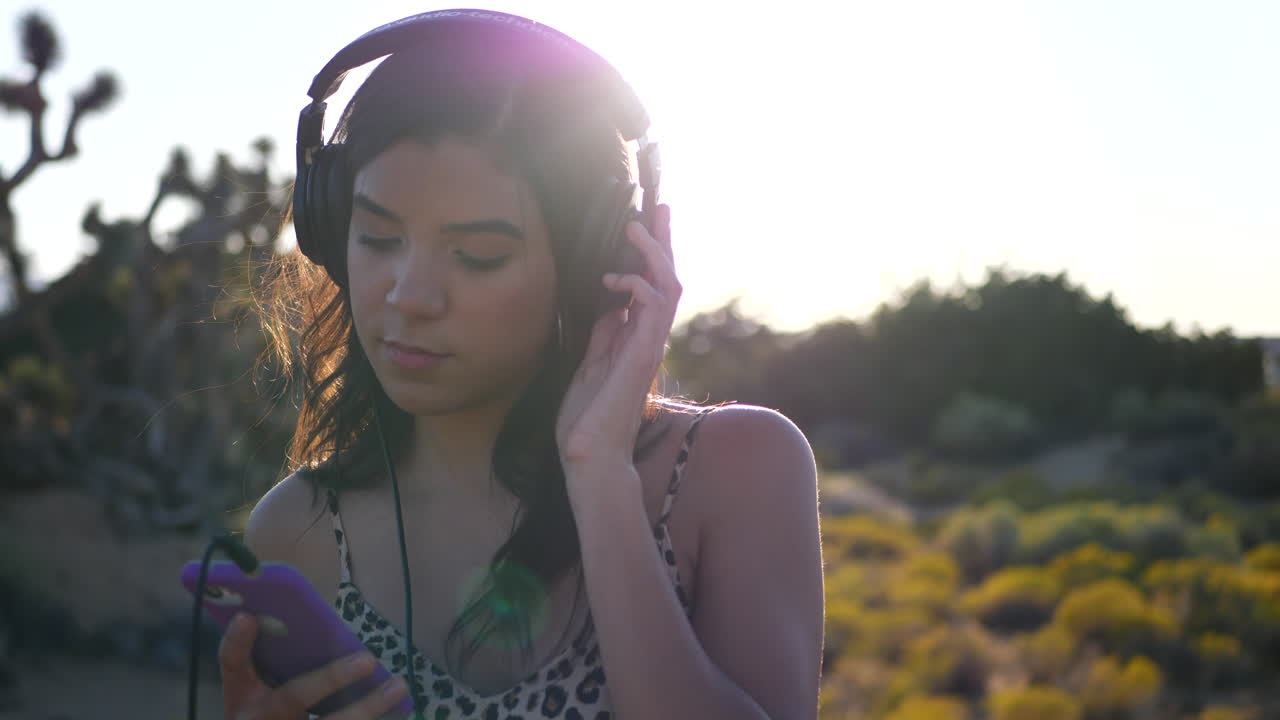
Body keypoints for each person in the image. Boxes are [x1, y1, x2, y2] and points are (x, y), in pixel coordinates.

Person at [217, 9, 824, 719]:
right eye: (377, 238)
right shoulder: (299, 530)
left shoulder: (736, 468)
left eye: (478, 256)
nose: (408, 297)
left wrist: (600, 477)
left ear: (592, 264)